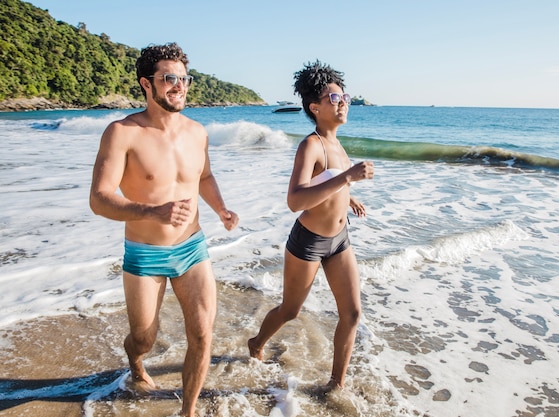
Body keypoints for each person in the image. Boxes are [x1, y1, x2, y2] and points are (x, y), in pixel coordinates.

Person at [89, 43, 238, 417]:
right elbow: (99, 198)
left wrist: (220, 208)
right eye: (169, 78)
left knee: (202, 333)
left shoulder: (197, 132)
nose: (179, 86)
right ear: (146, 83)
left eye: (184, 78)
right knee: (144, 338)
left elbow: (203, 175)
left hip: (192, 246)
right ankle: (136, 364)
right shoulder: (122, 132)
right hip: (145, 253)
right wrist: (153, 211)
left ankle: (187, 412)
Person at [248, 60, 374, 390]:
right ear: (314, 107)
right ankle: (256, 343)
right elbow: (296, 199)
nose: (343, 102)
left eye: (344, 96)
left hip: (339, 239)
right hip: (309, 240)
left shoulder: (337, 144)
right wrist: (347, 177)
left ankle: (336, 385)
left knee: (352, 314)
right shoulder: (311, 145)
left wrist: (348, 197)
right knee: (290, 310)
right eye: (334, 98)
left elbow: (331, 184)